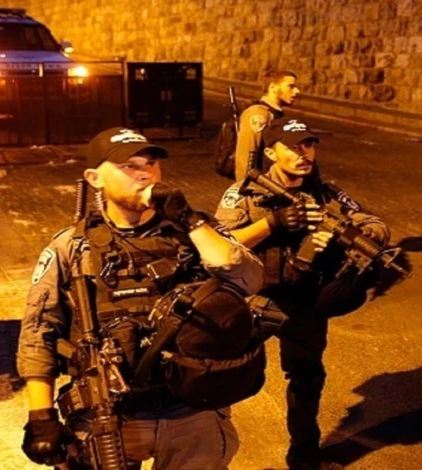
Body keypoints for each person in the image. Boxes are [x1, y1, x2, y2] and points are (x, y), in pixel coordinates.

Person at [17, 127, 265, 469]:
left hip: (192, 408)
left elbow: (249, 278)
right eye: (128, 166)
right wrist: (40, 414)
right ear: (94, 178)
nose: (145, 173)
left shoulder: (194, 229)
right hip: (112, 415)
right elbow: (39, 329)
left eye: (150, 163)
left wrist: (189, 219)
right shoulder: (71, 247)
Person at [215, 119, 390, 470]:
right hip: (256, 298)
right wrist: (273, 223)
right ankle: (212, 450)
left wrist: (354, 234)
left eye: (308, 145)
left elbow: (375, 223)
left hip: (305, 302)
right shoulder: (244, 192)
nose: (303, 153)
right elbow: (220, 244)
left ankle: (304, 452)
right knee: (227, 372)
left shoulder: (325, 192)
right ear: (270, 152)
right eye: (293, 147)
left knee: (307, 377)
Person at [233, 70, 300, 182]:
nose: (297, 91)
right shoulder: (259, 114)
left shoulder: (275, 114)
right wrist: (245, 188)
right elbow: (245, 157)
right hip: (262, 186)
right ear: (273, 87)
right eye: (291, 86)